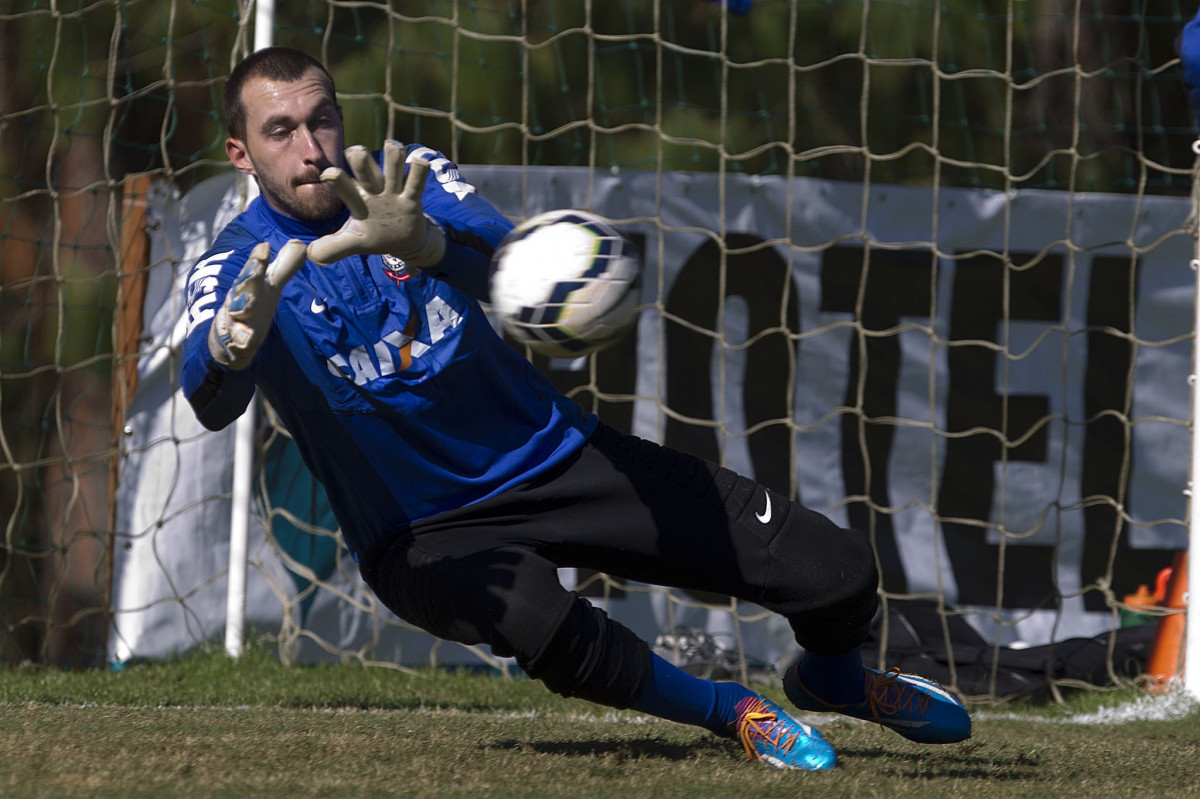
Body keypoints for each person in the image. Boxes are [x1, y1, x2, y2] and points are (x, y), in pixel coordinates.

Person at [180, 46, 971, 772]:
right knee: (532, 612)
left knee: (836, 572)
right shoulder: (234, 268)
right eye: (280, 131)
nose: (310, 146)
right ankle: (731, 709)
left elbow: (511, 265)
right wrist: (229, 349)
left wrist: (425, 243)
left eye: (321, 118)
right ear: (242, 155)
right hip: (420, 534)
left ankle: (834, 678)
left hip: (560, 458)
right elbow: (212, 401)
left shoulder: (405, 180)